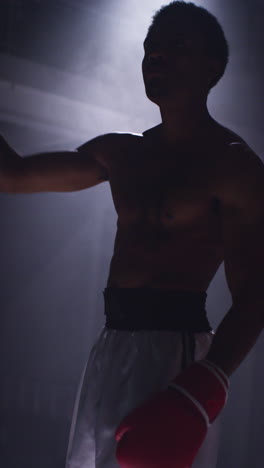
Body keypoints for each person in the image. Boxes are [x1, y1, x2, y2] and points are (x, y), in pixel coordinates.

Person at [0, 1, 263, 467]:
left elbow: (256, 295)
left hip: (176, 353)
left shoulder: (233, 166)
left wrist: (201, 388)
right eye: (150, 49)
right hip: (111, 345)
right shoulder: (122, 153)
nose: (156, 57)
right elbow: (13, 176)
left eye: (174, 47)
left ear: (213, 67)